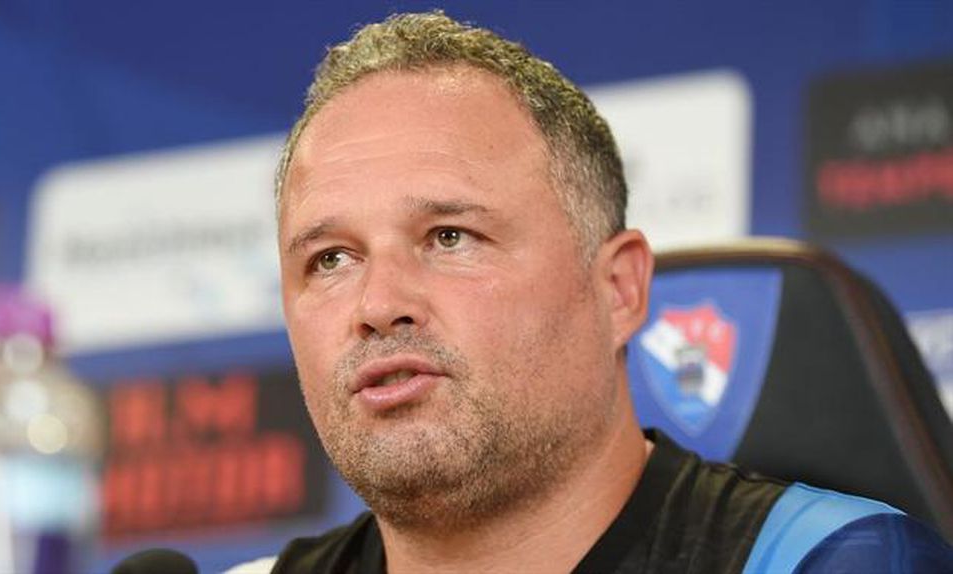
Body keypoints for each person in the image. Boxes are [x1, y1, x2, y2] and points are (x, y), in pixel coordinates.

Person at [239, 11, 953, 574]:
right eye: (331, 259)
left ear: (618, 289)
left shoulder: (839, 562)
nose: (377, 305)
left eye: (449, 237)